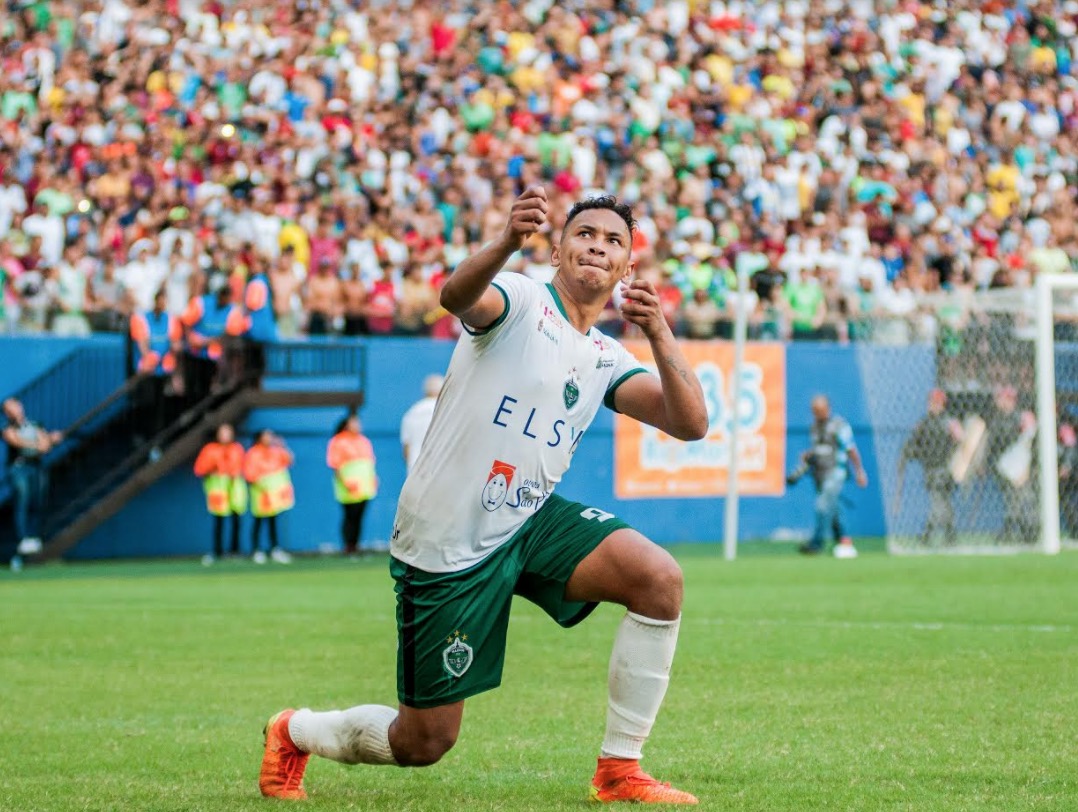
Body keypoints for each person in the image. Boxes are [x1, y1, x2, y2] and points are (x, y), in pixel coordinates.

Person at [258, 189, 708, 804]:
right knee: (424, 742)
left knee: (658, 579)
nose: (597, 246)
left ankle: (620, 770)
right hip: (446, 538)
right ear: (558, 250)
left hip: (528, 518)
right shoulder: (520, 298)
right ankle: (296, 731)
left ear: (628, 266)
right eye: (584, 234)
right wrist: (504, 243)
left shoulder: (606, 356)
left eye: (613, 241)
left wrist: (659, 332)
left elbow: (690, 423)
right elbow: (456, 297)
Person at [787, 395, 868, 558]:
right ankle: (844, 540)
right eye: (815, 411)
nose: (818, 414)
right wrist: (807, 457)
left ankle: (816, 543)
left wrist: (859, 471)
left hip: (836, 472)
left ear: (828, 408)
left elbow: (851, 449)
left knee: (823, 505)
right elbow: (820, 449)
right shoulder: (814, 427)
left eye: (821, 410)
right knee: (834, 509)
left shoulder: (839, 426)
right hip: (819, 474)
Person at [895, 389, 963, 547]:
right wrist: (906, 455)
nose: (934, 405)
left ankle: (928, 533)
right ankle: (949, 534)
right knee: (942, 502)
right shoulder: (923, 423)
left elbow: (961, 440)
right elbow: (912, 443)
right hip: (930, 467)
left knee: (939, 501)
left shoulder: (949, 422)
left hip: (945, 467)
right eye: (932, 402)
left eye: (937, 402)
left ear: (943, 404)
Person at [3, 398, 63, 567]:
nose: (13, 410)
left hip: (36, 467)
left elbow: (45, 446)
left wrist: (46, 441)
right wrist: (44, 441)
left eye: (14, 406)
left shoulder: (35, 424)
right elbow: (17, 441)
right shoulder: (7, 428)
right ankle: (23, 539)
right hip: (18, 468)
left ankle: (33, 538)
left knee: (37, 501)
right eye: (8, 408)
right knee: (22, 499)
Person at [129, 289, 183, 452]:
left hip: (164, 371)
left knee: (161, 407)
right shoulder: (142, 318)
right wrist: (150, 358)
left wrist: (173, 357)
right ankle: (142, 438)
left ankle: (157, 440)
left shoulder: (171, 320)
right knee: (146, 404)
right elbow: (142, 343)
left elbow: (175, 343)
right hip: (147, 371)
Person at [192, 423, 247, 565]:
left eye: (228, 432)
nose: (225, 436)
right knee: (219, 521)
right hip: (219, 491)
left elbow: (243, 467)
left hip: (235, 490)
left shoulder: (237, 449)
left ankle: (235, 551)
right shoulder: (210, 449)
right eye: (222, 433)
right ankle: (218, 551)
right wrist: (213, 468)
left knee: (236, 521)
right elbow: (199, 469)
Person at [327, 413, 377, 556]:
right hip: (349, 486)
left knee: (360, 516)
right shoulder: (338, 441)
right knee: (350, 516)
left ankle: (356, 545)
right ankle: (348, 546)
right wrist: (344, 482)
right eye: (354, 423)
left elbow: (369, 462)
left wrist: (373, 478)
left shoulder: (364, 441)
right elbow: (335, 465)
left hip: (365, 486)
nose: (358, 425)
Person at [244, 429, 295, 564]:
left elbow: (289, 461)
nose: (269, 438)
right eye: (266, 436)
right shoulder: (253, 453)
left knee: (273, 521)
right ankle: (256, 550)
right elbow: (249, 474)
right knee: (259, 521)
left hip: (274, 495)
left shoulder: (276, 451)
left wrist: (282, 446)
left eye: (270, 436)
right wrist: (262, 486)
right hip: (261, 494)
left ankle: (275, 549)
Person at [399, 374, 444, 473]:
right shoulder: (445, 411)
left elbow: (406, 450)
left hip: (415, 470)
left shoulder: (411, 413)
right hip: (440, 470)